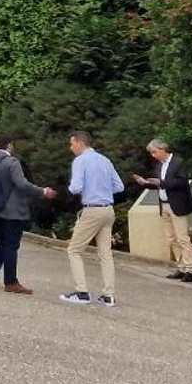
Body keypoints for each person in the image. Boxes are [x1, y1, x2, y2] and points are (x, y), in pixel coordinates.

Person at [0, 133, 54, 293]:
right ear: (9, 145)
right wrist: (42, 191)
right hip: (12, 210)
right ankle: (10, 281)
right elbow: (22, 184)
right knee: (11, 246)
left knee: (0, 244)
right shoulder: (12, 162)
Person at [59, 131, 125, 307]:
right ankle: (108, 294)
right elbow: (119, 186)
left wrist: (84, 190)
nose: (71, 147)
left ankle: (82, 292)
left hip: (92, 209)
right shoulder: (105, 160)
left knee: (74, 250)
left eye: (72, 144)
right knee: (105, 253)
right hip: (108, 209)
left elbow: (75, 188)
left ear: (80, 143)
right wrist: (102, 190)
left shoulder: (80, 161)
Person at [133, 139, 192, 283]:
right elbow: (160, 185)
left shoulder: (178, 163)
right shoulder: (159, 166)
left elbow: (182, 182)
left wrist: (161, 183)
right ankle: (181, 267)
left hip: (177, 205)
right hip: (164, 204)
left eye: (154, 152)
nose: (153, 155)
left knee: (183, 239)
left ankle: (190, 270)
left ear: (163, 149)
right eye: (151, 153)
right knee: (172, 239)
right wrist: (146, 183)